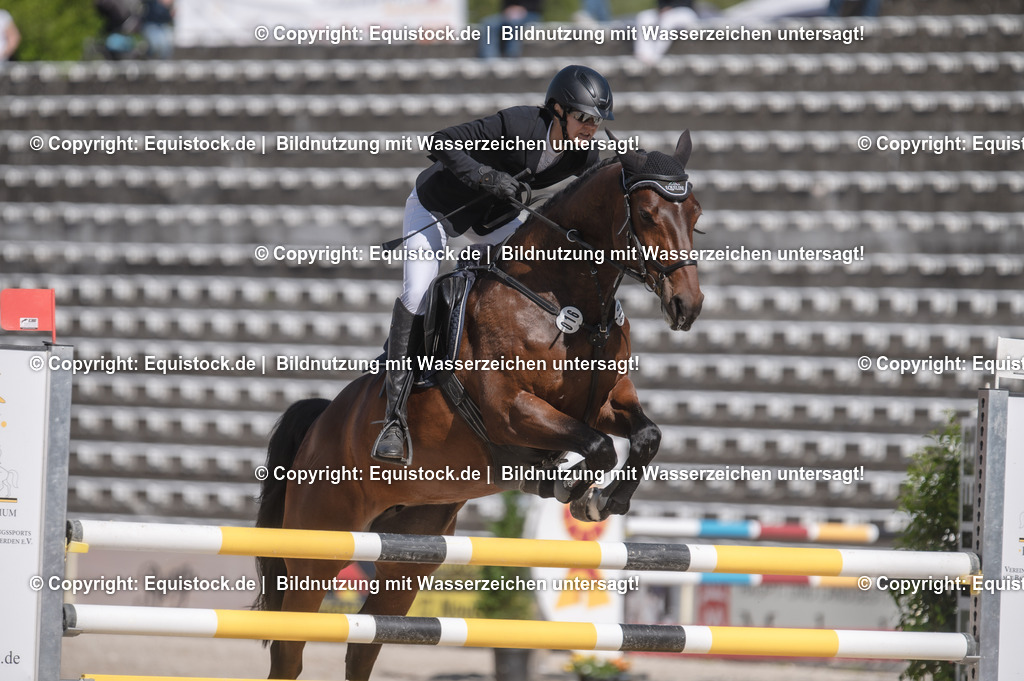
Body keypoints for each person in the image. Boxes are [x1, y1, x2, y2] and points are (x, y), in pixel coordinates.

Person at [372, 65, 615, 463]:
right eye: (583, 118)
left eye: (596, 121)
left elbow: (598, 190)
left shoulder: (581, 154)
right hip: (437, 207)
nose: (590, 128)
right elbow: (441, 142)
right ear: (557, 110)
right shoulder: (519, 121)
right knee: (417, 292)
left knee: (538, 276)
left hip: (494, 221)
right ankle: (394, 420)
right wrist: (488, 178)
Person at [634, 0, 699, 65]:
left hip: (685, 11)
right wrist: (662, 8)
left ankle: (655, 57)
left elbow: (686, 2)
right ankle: (643, 55)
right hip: (665, 11)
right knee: (644, 16)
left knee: (668, 18)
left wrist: (670, 8)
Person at [478, 0, 543, 60]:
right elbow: (504, 5)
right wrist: (509, 10)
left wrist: (521, 10)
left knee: (514, 23)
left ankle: (512, 57)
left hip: (530, 14)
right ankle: (490, 59)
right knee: (489, 23)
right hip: (509, 14)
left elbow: (537, 5)